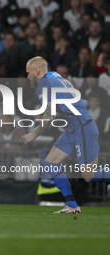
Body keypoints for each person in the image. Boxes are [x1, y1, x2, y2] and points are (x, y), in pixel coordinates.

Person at [22, 56, 110, 214]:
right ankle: (71, 205)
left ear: (37, 71)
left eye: (28, 73)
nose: (28, 77)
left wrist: (33, 133)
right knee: (50, 164)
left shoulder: (45, 82)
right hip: (74, 127)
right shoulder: (55, 76)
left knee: (88, 175)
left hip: (83, 127)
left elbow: (50, 116)